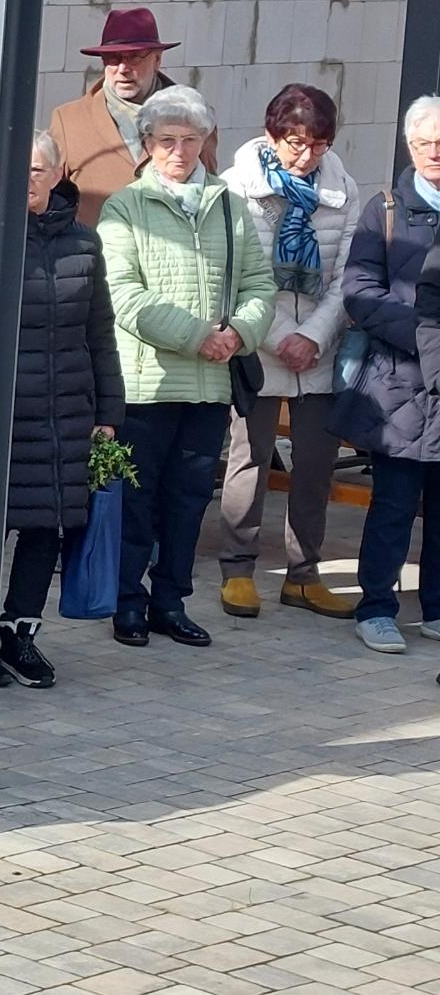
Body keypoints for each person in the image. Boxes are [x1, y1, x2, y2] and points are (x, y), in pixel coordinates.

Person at [98, 86, 274, 649]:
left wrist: (239, 334)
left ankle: (170, 600)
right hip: (147, 383)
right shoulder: (125, 205)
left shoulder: (229, 205)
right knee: (138, 498)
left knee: (189, 498)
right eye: (167, 139)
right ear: (147, 144)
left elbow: (258, 285)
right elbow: (123, 295)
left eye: (190, 139)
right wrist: (199, 336)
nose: (179, 150)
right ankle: (128, 601)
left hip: (209, 385)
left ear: (205, 141)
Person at [214, 85, 360, 626]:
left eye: (317, 144)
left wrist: (315, 336)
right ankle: (238, 569)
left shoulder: (343, 188)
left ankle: (304, 577)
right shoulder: (237, 189)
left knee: (316, 466)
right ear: (273, 134)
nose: (306, 155)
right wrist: (280, 337)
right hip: (259, 342)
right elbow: (233, 277)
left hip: (319, 348)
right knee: (248, 459)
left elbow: (349, 275)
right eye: (295, 142)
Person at [1, 135, 123, 689]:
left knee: (47, 526)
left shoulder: (83, 243)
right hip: (3, 413)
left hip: (64, 411)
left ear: (55, 175)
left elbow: (100, 332)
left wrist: (108, 409)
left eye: (36, 169)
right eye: (17, 169)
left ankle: (17, 637)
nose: (27, 179)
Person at [333, 96, 440, 651]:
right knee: (395, 502)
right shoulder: (387, 208)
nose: (434, 154)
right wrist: (426, 336)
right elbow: (360, 291)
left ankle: (436, 608)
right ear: (409, 145)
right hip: (401, 382)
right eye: (425, 143)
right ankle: (376, 605)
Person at [48, 7, 218, 226]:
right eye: (112, 58)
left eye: (134, 57)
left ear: (157, 60)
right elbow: (46, 195)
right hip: (98, 254)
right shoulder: (69, 120)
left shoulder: (197, 118)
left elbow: (211, 191)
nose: (122, 68)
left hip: (174, 253)